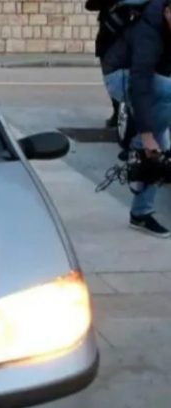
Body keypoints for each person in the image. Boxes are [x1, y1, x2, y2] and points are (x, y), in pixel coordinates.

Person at [102, 0, 171, 237]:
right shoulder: (148, 32)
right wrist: (146, 135)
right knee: (154, 138)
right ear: (167, 11)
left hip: (150, 78)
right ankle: (141, 144)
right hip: (120, 76)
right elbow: (139, 84)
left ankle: (140, 214)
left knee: (160, 145)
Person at [85, 0, 121, 127]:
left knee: (114, 80)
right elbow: (90, 5)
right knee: (113, 81)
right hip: (110, 39)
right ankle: (118, 113)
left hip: (114, 38)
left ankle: (119, 114)